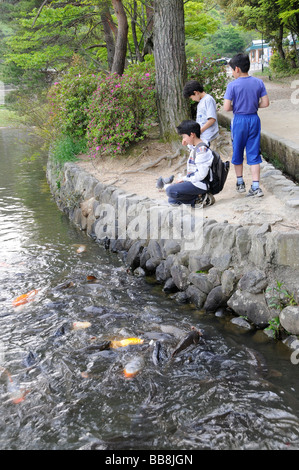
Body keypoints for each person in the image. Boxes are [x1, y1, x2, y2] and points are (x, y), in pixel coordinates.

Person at [223, 53, 270, 197]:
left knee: (237, 149)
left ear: (236, 69)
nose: (232, 72)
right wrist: (253, 105)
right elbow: (266, 103)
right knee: (254, 152)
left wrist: (237, 107)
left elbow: (226, 107)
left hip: (239, 121)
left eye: (231, 70)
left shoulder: (232, 85)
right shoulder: (258, 82)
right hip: (254, 119)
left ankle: (240, 183)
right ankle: (256, 186)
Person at [165, 120, 215, 208]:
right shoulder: (197, 146)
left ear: (192, 135)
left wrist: (185, 179)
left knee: (170, 191)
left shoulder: (202, 151)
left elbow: (201, 175)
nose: (183, 140)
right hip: (194, 181)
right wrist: (186, 141)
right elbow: (192, 145)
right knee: (172, 200)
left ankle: (202, 197)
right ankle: (197, 198)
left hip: (200, 184)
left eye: (184, 136)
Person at [183, 80, 219, 146]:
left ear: (196, 92)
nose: (193, 100)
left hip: (209, 136)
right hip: (203, 135)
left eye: (191, 98)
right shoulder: (201, 102)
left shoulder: (208, 100)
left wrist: (199, 131)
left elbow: (212, 119)